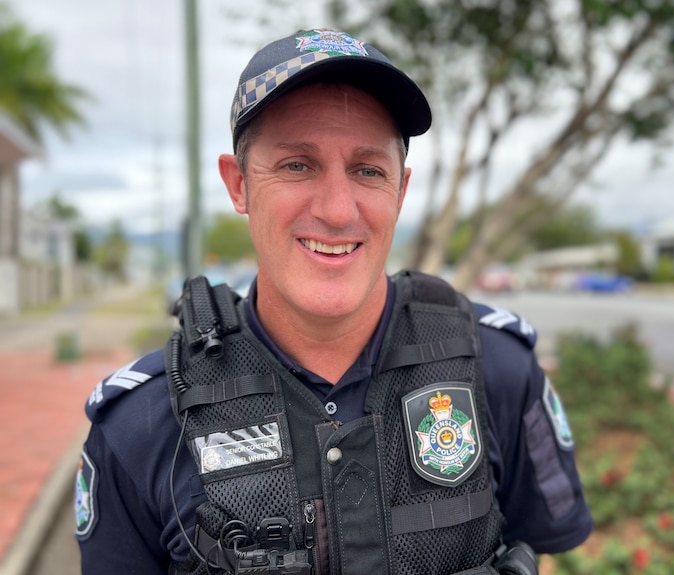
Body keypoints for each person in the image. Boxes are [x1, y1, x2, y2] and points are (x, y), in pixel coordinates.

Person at [75, 28, 592, 575]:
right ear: (239, 184)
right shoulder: (141, 425)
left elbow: (543, 553)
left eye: (368, 170)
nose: (339, 209)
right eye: (298, 164)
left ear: (401, 189)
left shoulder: (498, 370)